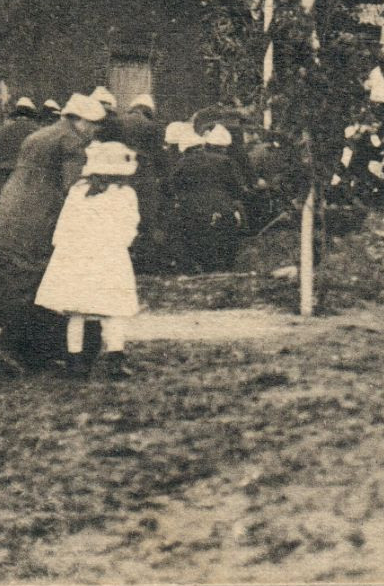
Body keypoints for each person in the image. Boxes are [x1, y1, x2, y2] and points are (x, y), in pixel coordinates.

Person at [0, 93, 102, 369]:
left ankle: (26, 348)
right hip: (40, 218)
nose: (95, 130)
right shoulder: (71, 142)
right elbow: (74, 189)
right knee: (46, 285)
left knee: (27, 282)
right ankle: (15, 346)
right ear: (75, 120)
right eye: (92, 124)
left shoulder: (38, 136)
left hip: (12, 213)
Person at [37, 141, 141, 380]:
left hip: (77, 255)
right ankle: (115, 359)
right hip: (109, 255)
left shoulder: (78, 191)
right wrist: (121, 243)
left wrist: (64, 250)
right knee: (113, 309)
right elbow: (129, 226)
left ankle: (76, 361)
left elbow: (64, 225)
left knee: (77, 311)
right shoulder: (125, 194)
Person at [168, 124, 248, 272]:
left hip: (193, 213)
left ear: (183, 150)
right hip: (223, 210)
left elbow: (172, 189)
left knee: (197, 245)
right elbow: (238, 188)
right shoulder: (223, 161)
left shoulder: (180, 164)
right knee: (227, 246)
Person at [117, 94, 167, 264]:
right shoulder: (152, 127)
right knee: (145, 214)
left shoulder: (118, 122)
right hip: (144, 175)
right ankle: (143, 258)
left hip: (119, 175)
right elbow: (159, 156)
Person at [0, 97, 42, 207]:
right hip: (28, 177)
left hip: (1, 176)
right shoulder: (39, 132)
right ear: (32, 116)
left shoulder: (0, 132)